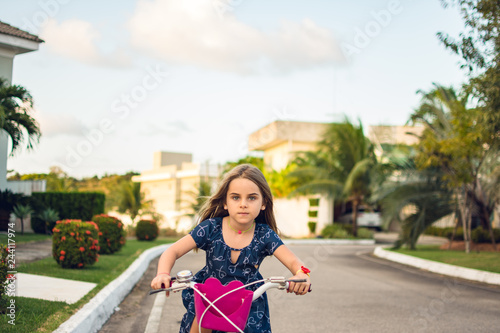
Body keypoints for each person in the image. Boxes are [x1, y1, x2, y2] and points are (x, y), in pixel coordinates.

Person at [150, 164, 311, 333]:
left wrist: (302, 274)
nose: (243, 204)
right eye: (235, 197)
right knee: (198, 325)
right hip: (208, 300)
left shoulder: (264, 235)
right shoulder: (211, 228)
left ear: (263, 203)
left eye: (252, 198)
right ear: (225, 203)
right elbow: (172, 251)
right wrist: (162, 274)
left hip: (246, 305)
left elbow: (294, 262)